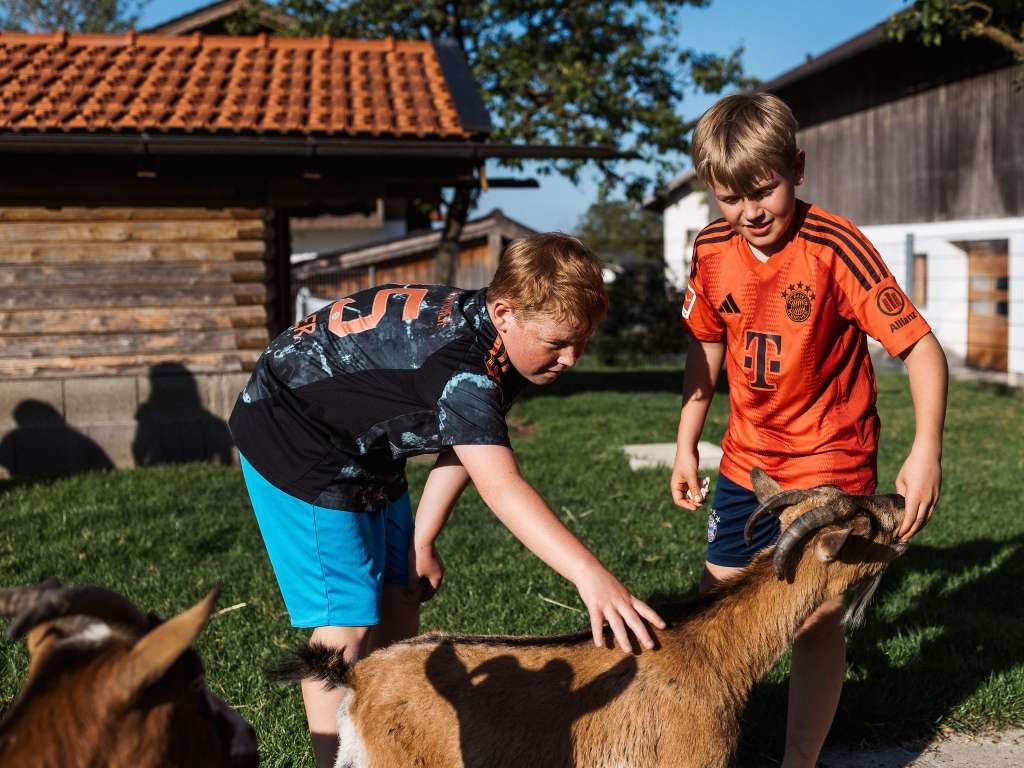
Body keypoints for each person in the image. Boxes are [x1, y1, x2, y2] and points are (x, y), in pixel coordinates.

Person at [229, 233, 665, 768]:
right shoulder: (468, 367)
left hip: (367, 442)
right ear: (504, 312)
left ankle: (390, 741)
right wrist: (589, 575)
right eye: (558, 343)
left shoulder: (502, 344)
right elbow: (500, 485)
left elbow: (465, 444)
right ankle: (331, 760)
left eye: (582, 342)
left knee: (400, 594)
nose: (572, 358)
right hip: (295, 435)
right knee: (346, 617)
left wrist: (423, 538)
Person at [669, 93, 947, 768]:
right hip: (745, 463)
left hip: (832, 465)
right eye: (729, 197)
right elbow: (704, 348)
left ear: (796, 167)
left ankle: (799, 760)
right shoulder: (710, 249)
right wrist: (686, 439)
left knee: (816, 621)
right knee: (720, 610)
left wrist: (927, 448)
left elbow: (920, 349)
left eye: (763, 191)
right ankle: (713, 747)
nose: (749, 212)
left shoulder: (836, 247)